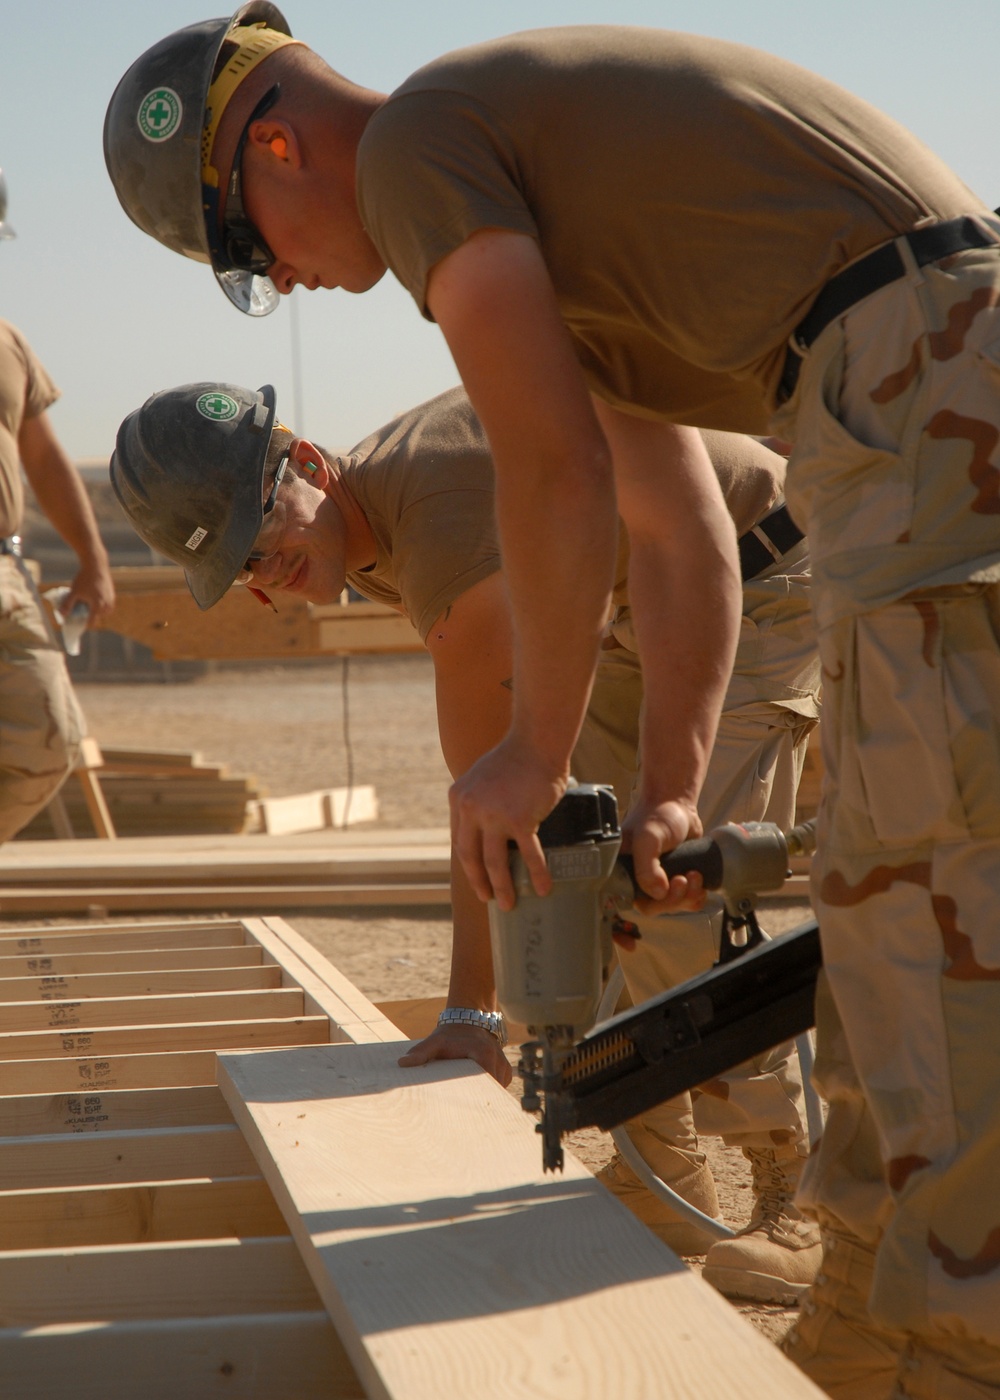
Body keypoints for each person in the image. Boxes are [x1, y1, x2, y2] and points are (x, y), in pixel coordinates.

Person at [103, 15, 1000, 1394]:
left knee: (938, 902)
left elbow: (562, 485)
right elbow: (680, 525)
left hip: (915, 380)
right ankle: (885, 1322)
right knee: (888, 901)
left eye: (250, 256)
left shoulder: (414, 151)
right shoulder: (520, 210)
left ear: (273, 144)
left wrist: (533, 759)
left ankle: (947, 1343)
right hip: (890, 396)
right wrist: (672, 791)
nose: (290, 281)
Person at [110, 379, 820, 1303]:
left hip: (752, 566)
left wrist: (472, 1013)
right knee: (583, 868)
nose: (260, 573)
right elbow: (512, 816)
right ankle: (669, 1181)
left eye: (262, 536)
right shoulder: (359, 522)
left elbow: (488, 810)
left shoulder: (439, 521)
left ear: (312, 467)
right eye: (237, 567)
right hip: (626, 592)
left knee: (678, 887)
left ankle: (806, 1198)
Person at [0, 170, 114, 839]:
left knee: (49, 745)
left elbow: (42, 457)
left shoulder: (8, 341)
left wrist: (92, 558)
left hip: (8, 575)